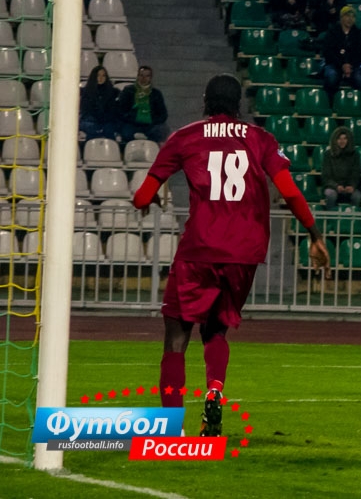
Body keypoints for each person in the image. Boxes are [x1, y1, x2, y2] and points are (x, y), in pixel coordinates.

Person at [132, 74, 329, 435]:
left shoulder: (185, 137)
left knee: (176, 335)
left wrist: (151, 198)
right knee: (216, 329)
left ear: (205, 101)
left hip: (200, 249)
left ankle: (172, 429)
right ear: (238, 104)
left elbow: (142, 196)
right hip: (244, 252)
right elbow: (289, 191)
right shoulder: (261, 139)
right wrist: (314, 234)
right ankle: (214, 392)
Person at [318, 5, 361, 92]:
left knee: (360, 79)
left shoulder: (358, 34)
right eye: (347, 16)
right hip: (334, 64)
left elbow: (360, 53)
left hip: (352, 66)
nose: (350, 19)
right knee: (331, 77)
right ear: (341, 17)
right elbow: (328, 52)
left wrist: (350, 65)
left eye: (353, 16)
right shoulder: (332, 32)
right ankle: (330, 99)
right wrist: (342, 65)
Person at [118, 66, 169, 143]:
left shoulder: (156, 93)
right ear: (138, 76)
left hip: (150, 125)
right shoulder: (128, 91)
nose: (143, 78)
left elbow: (163, 114)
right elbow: (121, 111)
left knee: (161, 131)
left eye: (147, 76)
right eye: (141, 75)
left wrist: (151, 120)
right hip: (132, 124)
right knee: (125, 132)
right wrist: (133, 118)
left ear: (150, 78)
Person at [322, 126, 361, 210]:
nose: (342, 141)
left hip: (349, 187)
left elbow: (356, 173)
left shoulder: (355, 155)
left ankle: (353, 217)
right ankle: (331, 216)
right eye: (339, 139)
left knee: (357, 196)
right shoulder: (328, 154)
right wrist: (336, 186)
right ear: (335, 140)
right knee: (331, 195)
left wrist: (352, 186)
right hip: (332, 187)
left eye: (345, 138)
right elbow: (326, 176)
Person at [79, 65, 120, 141]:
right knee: (92, 127)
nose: (101, 78)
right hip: (91, 121)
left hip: (107, 121)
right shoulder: (86, 92)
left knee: (109, 128)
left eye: (103, 75)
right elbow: (86, 111)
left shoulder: (113, 92)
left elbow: (112, 111)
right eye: (98, 75)